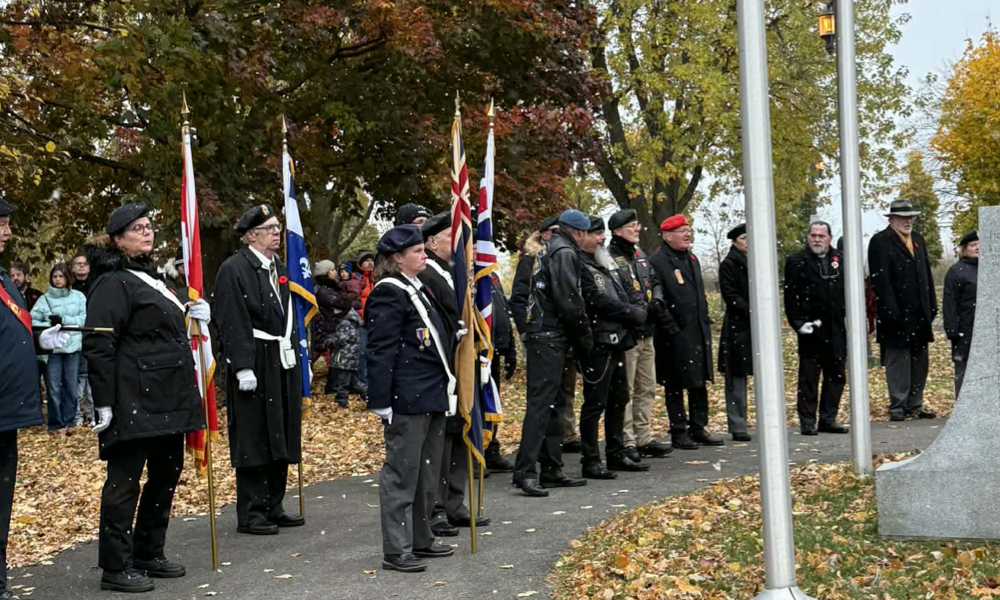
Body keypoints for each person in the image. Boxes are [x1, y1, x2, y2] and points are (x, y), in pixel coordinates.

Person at [83, 202, 208, 592]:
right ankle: (115, 566)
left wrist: (193, 312)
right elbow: (99, 342)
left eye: (149, 226)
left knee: (166, 474)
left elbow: (158, 327)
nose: (147, 233)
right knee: (124, 483)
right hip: (133, 396)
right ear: (118, 239)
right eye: (137, 229)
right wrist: (103, 400)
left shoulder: (151, 278)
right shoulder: (111, 281)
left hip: (168, 395)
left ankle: (149, 551)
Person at [365, 224, 455, 573]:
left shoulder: (418, 288)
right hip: (407, 396)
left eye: (422, 249)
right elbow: (381, 350)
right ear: (397, 258)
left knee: (426, 472)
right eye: (416, 251)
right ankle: (397, 548)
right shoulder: (389, 292)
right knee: (402, 474)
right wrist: (381, 400)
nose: (423, 255)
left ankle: (421, 537)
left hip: (430, 392)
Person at [212, 205, 305, 536]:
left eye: (278, 226)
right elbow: (231, 320)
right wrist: (242, 367)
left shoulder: (278, 267)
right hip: (254, 358)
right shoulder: (234, 269)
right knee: (254, 434)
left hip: (279, 356)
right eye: (269, 228)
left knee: (280, 430)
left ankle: (273, 504)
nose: (277, 233)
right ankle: (251, 511)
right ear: (251, 235)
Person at [0, 199, 69, 600]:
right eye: (3, 224)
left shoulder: (5, 281)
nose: (8, 232)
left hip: (8, 412)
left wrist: (39, 338)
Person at [512, 209, 592, 497]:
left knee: (555, 403)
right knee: (542, 405)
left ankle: (551, 467)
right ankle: (525, 471)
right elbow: (569, 301)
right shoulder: (565, 253)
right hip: (549, 336)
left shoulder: (550, 250)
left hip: (546, 335)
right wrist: (585, 337)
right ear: (579, 233)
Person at [417, 212, 488, 534]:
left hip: (462, 365)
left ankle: (455, 501)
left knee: (459, 431)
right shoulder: (428, 274)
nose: (460, 245)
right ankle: (436, 507)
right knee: (441, 441)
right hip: (442, 365)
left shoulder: (454, 272)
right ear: (431, 242)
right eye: (451, 237)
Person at [578, 216, 649, 478]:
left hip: (619, 338)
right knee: (595, 402)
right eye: (596, 234)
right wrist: (630, 312)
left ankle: (616, 453)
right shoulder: (580, 264)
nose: (601, 238)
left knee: (619, 398)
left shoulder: (604, 262)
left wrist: (637, 307)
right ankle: (591, 459)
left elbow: (624, 290)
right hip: (598, 341)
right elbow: (597, 300)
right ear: (582, 236)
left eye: (602, 233)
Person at [510, 215, 581, 453]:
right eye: (552, 231)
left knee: (563, 392)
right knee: (542, 397)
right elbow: (519, 298)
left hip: (560, 335)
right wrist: (526, 331)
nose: (555, 235)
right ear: (541, 234)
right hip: (538, 334)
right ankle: (536, 451)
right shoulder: (531, 259)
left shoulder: (562, 256)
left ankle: (559, 444)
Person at [650, 215, 722, 449]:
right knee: (675, 383)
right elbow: (659, 301)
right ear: (668, 235)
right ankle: (678, 431)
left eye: (688, 230)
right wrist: (672, 329)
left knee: (698, 381)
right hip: (673, 334)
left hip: (697, 330)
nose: (687, 234)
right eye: (681, 231)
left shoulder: (692, 258)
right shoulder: (658, 261)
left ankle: (698, 426)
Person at [607, 209, 673, 459]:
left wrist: (656, 299)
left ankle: (644, 437)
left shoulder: (640, 254)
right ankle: (627, 440)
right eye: (631, 225)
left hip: (647, 331)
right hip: (628, 332)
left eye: (637, 225)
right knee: (627, 388)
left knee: (646, 387)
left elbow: (654, 281)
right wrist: (633, 312)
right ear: (617, 231)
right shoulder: (610, 257)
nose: (637, 229)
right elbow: (614, 292)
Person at [867, 199, 937, 421]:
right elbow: (882, 282)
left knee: (919, 360)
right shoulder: (880, 242)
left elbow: (925, 275)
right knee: (898, 361)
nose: (908, 221)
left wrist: (931, 305)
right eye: (903, 217)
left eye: (911, 217)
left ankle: (914, 404)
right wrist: (891, 313)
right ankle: (898, 406)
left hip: (919, 313)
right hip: (895, 314)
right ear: (892, 218)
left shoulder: (917, 240)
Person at [784, 222, 850, 436]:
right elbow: (790, 297)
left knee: (836, 376)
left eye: (821, 235)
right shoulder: (796, 262)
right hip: (811, 329)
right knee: (809, 378)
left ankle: (828, 419)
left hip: (836, 328)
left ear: (830, 237)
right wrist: (798, 323)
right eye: (813, 235)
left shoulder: (841, 260)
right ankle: (807, 421)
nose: (817, 239)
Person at [30, 263, 87, 433]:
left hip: (72, 348)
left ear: (68, 277)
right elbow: (32, 319)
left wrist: (63, 320)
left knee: (71, 386)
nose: (58, 279)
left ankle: (69, 421)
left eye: (61, 276)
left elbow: (82, 320)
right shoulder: (44, 299)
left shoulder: (79, 297)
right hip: (53, 350)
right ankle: (55, 423)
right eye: (55, 276)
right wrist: (48, 323)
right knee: (53, 387)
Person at [717, 223, 753, 441]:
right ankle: (738, 423)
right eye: (744, 238)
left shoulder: (756, 261)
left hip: (754, 325)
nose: (748, 242)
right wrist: (752, 309)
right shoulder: (729, 264)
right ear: (735, 241)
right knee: (736, 376)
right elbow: (731, 296)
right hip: (738, 326)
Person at [483, 272, 516, 474]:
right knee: (480, 403)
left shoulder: (491, 275)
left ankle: (491, 448)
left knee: (493, 403)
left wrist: (510, 349)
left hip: (496, 348)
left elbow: (502, 309)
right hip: (479, 351)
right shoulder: (470, 274)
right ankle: (477, 450)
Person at [943, 230, 979, 396]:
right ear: (964, 248)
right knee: (963, 371)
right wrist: (952, 330)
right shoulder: (957, 271)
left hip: (987, 330)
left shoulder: (991, 269)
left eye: (980, 244)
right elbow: (949, 303)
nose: (978, 247)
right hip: (965, 329)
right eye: (973, 245)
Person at [69, 252, 95, 427]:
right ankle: (76, 414)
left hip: (94, 333)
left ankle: (92, 412)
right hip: (74, 335)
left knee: (93, 378)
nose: (81, 266)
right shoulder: (68, 288)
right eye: (77, 263)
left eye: (84, 263)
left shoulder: (96, 285)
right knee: (77, 379)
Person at [311, 259, 353, 363]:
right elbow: (342, 303)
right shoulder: (323, 291)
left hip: (330, 334)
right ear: (325, 273)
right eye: (332, 270)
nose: (335, 272)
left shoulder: (331, 289)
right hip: (325, 334)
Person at [325, 308, 364, 408]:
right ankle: (367, 395)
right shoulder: (353, 321)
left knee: (344, 382)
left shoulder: (345, 323)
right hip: (351, 356)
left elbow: (340, 340)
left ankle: (342, 401)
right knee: (353, 381)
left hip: (344, 357)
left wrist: (329, 341)